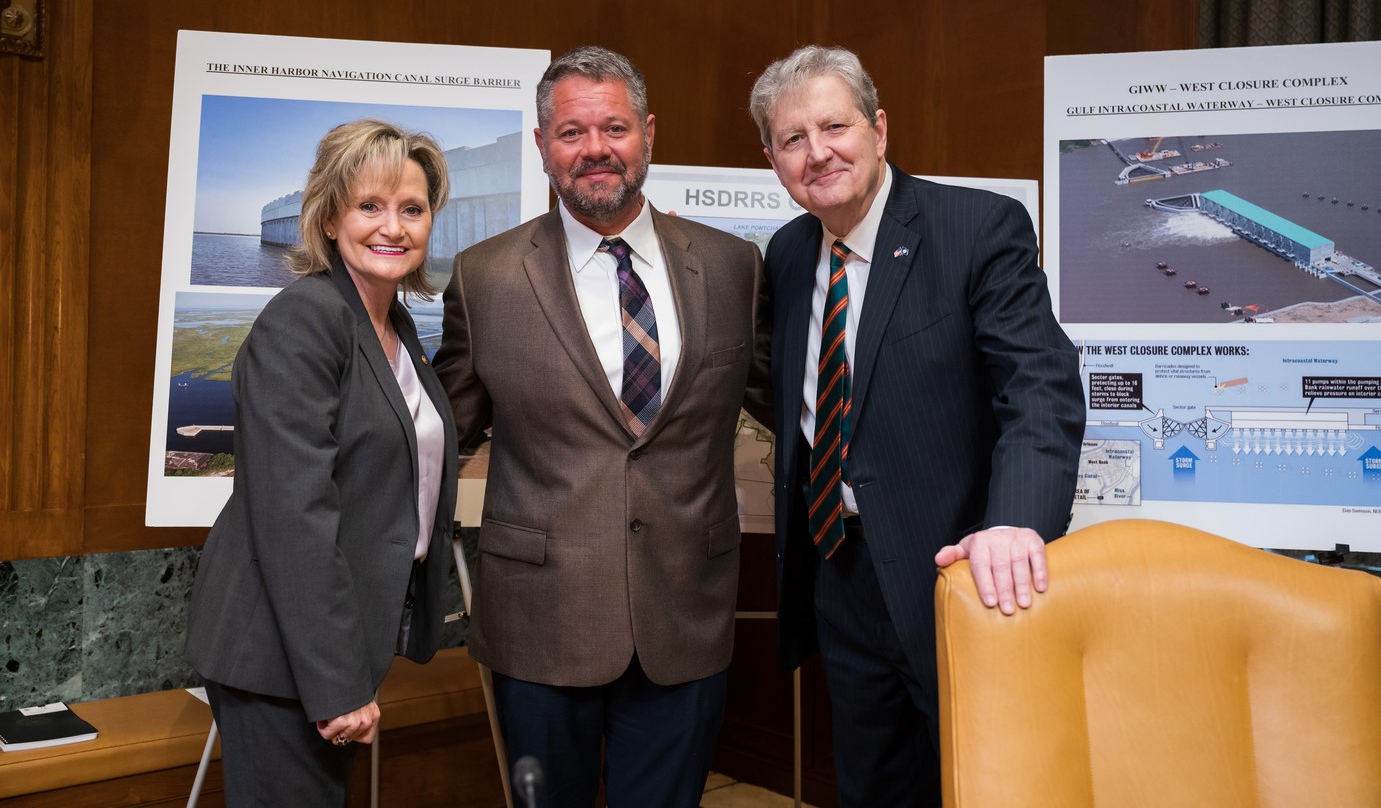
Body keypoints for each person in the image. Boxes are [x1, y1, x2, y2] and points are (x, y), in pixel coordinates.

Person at [432, 45, 771, 808]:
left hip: (684, 615)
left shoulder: (732, 267)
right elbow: (439, 431)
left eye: (613, 127)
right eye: (571, 132)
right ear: (541, 144)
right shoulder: (485, 277)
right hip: (539, 622)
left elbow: (792, 404)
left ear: (647, 133)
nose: (594, 149)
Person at [749, 45, 1084, 807]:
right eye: (792, 138)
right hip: (840, 573)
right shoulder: (789, 253)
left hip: (958, 576)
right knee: (872, 786)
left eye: (833, 126)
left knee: (985, 785)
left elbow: (1040, 387)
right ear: (772, 159)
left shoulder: (975, 228)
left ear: (878, 129)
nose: (816, 152)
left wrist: (1014, 522)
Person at [185, 118, 460, 807]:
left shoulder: (394, 325)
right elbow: (294, 517)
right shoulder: (306, 317)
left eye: (412, 208)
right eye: (370, 205)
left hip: (331, 641)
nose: (392, 226)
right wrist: (337, 683)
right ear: (331, 217)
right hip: (280, 656)